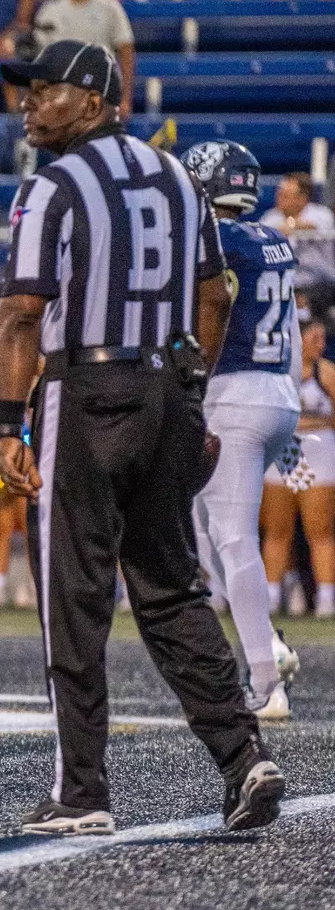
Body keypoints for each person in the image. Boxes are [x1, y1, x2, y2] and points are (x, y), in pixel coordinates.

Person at [0, 39, 284, 836]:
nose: (29, 102)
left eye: (45, 90)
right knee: (171, 586)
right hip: (168, 388)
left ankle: (81, 792)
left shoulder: (52, 186)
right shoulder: (181, 179)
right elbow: (214, 298)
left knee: (72, 596)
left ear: (92, 102)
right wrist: (188, 391)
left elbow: (20, 313)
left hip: (85, 391)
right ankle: (243, 756)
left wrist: (4, 423)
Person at [180, 140, 304, 723]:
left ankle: (264, 680)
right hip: (278, 392)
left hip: (234, 394)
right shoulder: (272, 238)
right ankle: (267, 641)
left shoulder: (214, 240)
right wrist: (294, 415)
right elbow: (296, 334)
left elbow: (206, 311)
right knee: (210, 530)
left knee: (231, 539)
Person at [261, 313, 335, 623]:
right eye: (314, 338)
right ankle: (270, 597)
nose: (320, 344)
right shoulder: (277, 372)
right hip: (286, 452)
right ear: (298, 339)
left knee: (321, 531)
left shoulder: (327, 372)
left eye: (323, 338)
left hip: (318, 454)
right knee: (277, 531)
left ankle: (326, 600)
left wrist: (304, 422)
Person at [33, 0, 135, 122]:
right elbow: (39, 58)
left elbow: (126, 50)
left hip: (100, 89)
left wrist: (125, 98)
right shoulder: (50, 11)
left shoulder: (109, 7)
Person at [260, 172, 335, 302]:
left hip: (320, 283)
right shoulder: (271, 216)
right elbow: (263, 232)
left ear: (302, 198)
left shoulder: (321, 213)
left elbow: (311, 225)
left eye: (285, 195)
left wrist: (290, 225)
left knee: (303, 300)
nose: (279, 198)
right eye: (279, 193)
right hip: (285, 284)